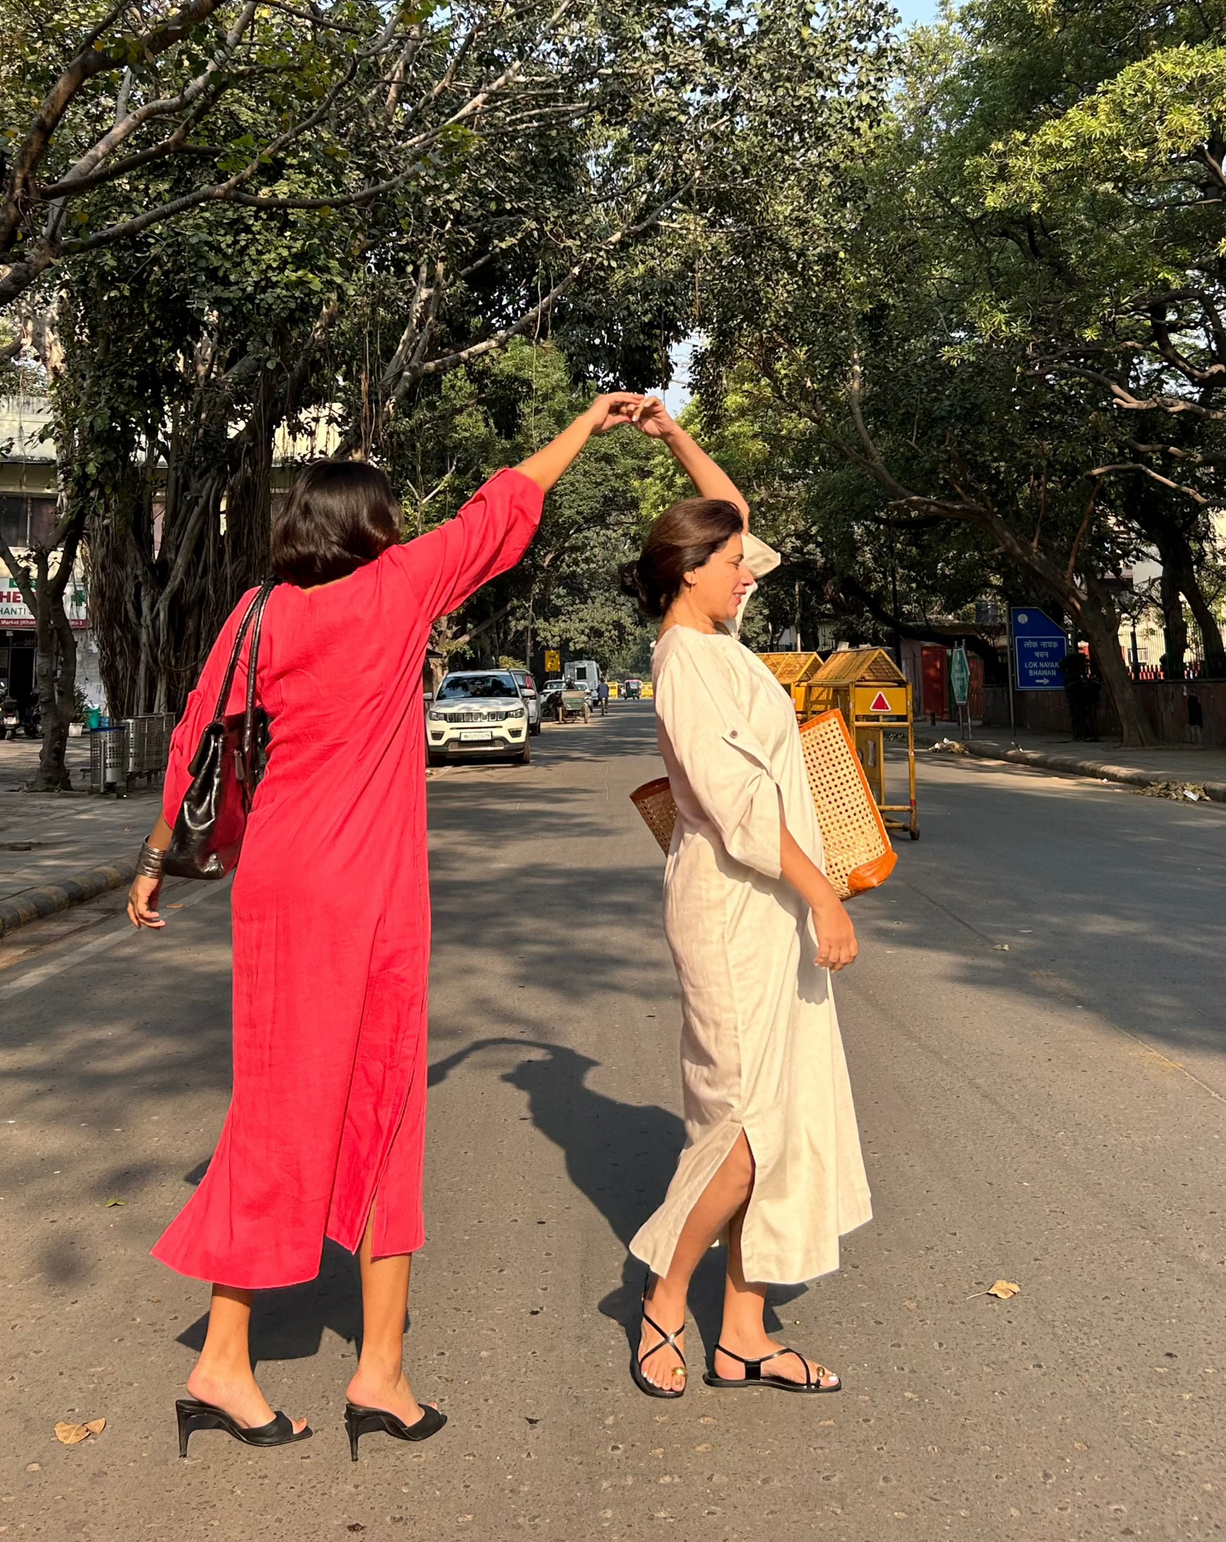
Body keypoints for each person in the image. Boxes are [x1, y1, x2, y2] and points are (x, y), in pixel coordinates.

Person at [128, 394, 643, 1459]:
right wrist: (586, 426)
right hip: (365, 890)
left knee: (276, 1110)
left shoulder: (259, 613)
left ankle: (233, 1360)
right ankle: (378, 1370)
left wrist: (151, 862)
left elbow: (195, 732)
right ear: (372, 527)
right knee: (385, 1106)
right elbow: (505, 503)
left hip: (275, 885)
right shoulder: (400, 588)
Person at [618, 397, 871, 1399]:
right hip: (732, 907)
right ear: (691, 575)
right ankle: (663, 1300)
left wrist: (670, 433)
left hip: (769, 908)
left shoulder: (720, 640)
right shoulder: (685, 664)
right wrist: (827, 899)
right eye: (729, 563)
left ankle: (745, 1332)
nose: (744, 569)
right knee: (741, 1125)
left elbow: (727, 508)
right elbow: (732, 810)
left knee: (787, 1110)